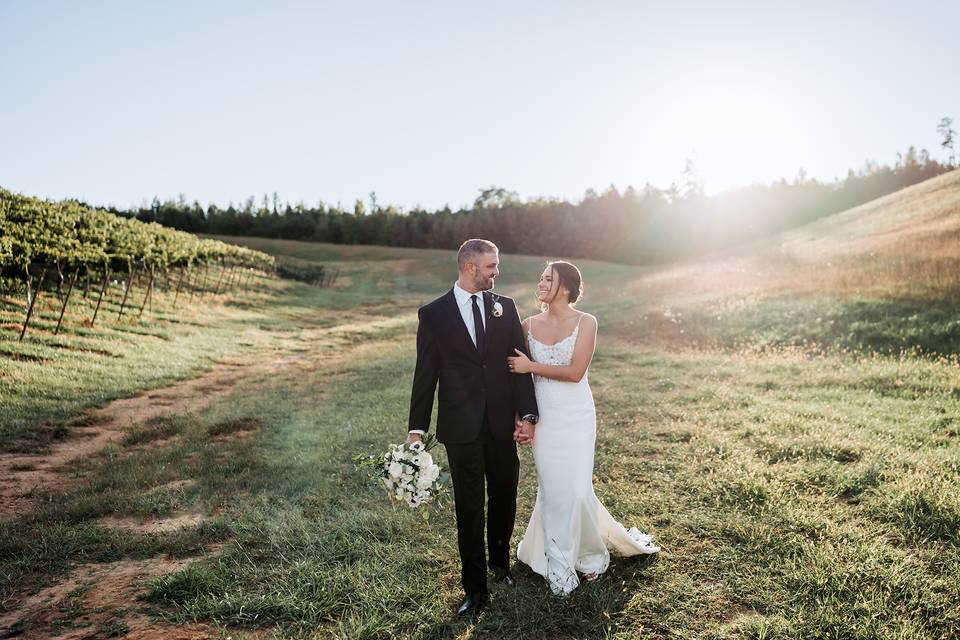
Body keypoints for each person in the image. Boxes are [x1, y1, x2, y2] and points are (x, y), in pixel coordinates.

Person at [509, 260, 659, 596]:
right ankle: (559, 565)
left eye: (549, 278)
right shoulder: (527, 324)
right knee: (554, 489)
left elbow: (576, 372)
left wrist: (530, 365)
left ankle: (589, 554)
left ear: (565, 287)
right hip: (544, 416)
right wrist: (523, 418)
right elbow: (518, 383)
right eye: (542, 277)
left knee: (576, 489)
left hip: (576, 415)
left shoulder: (586, 322)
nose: (542, 282)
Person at [406, 238, 539, 616]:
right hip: (460, 424)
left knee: (504, 494)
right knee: (469, 506)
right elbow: (425, 375)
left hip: (500, 421)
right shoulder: (434, 314)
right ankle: (475, 589)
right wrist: (417, 427)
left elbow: (519, 364)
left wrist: (527, 415)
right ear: (469, 268)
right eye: (491, 266)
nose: (497, 272)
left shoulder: (505, 307)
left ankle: (499, 564)